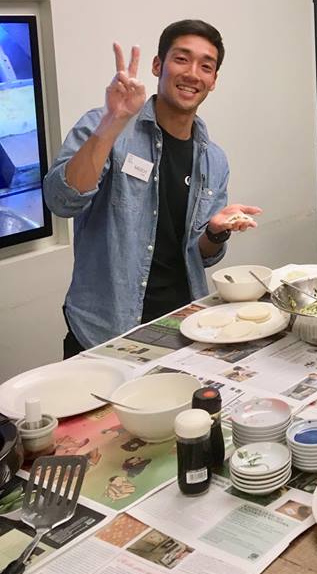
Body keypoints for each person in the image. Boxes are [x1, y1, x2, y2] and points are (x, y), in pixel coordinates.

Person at [44, 20, 261, 356]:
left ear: (214, 80)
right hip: (106, 330)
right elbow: (62, 201)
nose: (193, 73)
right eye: (182, 59)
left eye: (206, 66)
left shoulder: (213, 159)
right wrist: (111, 124)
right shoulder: (106, 125)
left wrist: (215, 233)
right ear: (158, 65)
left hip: (184, 326)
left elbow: (201, 256)